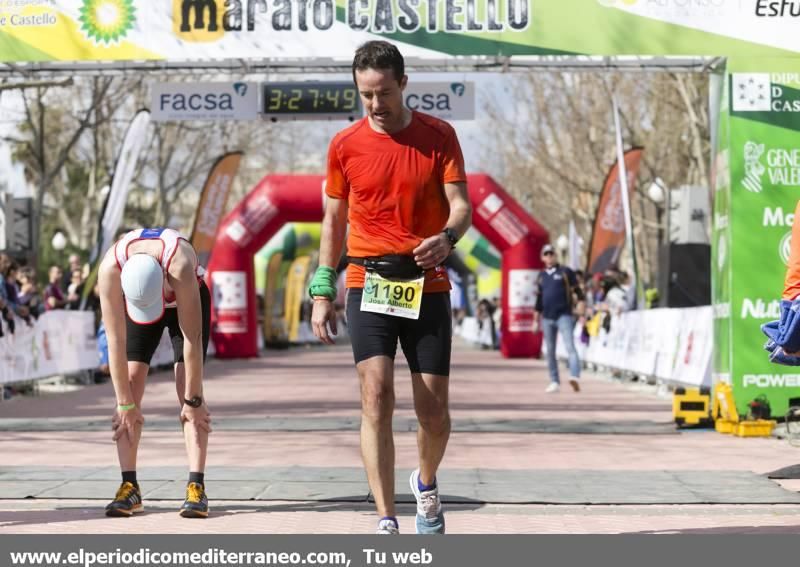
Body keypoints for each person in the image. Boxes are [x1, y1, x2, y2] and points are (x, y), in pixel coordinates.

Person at [308, 40, 471, 535]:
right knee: (375, 395)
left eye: (383, 93)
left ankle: (425, 483)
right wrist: (322, 288)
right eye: (365, 95)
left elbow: (461, 207)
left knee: (434, 411)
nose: (376, 105)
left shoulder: (439, 136)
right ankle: (385, 517)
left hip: (427, 281)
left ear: (403, 83)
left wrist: (446, 238)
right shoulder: (344, 145)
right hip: (367, 280)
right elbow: (333, 220)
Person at [97, 227, 212, 518]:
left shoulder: (180, 264)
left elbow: (192, 340)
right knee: (131, 385)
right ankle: (129, 485)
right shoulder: (110, 266)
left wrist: (194, 401)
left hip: (184, 304)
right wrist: (125, 403)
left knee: (186, 386)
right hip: (139, 303)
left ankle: (196, 485)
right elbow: (115, 341)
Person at [533, 244, 584, 393]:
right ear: (542, 257)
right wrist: (535, 320)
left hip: (564, 315)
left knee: (570, 347)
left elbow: (578, 291)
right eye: (546, 254)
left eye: (551, 254)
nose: (549, 256)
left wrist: (581, 304)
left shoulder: (565, 272)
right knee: (550, 351)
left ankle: (574, 375)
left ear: (556, 256)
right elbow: (539, 300)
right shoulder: (541, 276)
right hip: (547, 317)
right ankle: (554, 381)